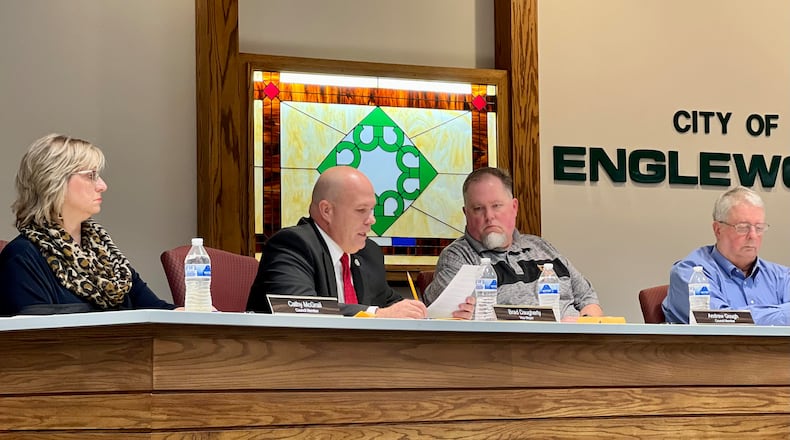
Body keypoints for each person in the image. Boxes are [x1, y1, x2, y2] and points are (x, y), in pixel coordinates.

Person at [0, 134, 177, 315]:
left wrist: (189, 313)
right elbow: (36, 335)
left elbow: (157, 311)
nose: (102, 186)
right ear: (54, 181)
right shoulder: (22, 256)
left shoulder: (103, 251)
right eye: (91, 175)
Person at [246, 166, 427, 318]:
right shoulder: (292, 245)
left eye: (372, 210)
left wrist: (430, 312)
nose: (371, 220)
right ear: (327, 211)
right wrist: (376, 314)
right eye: (361, 210)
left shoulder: (368, 253)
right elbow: (299, 308)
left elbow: (391, 304)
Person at [424, 167, 603, 320]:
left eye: (496, 206)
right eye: (478, 209)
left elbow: (588, 299)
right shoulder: (457, 258)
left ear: (514, 207)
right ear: (466, 213)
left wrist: (584, 324)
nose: (489, 216)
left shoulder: (543, 248)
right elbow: (451, 317)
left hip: (574, 347)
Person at [662, 186, 790, 325]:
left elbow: (734, 318)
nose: (753, 236)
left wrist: (741, 315)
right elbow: (721, 323)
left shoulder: (781, 277)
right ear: (718, 230)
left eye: (759, 228)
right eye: (743, 227)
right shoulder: (691, 274)